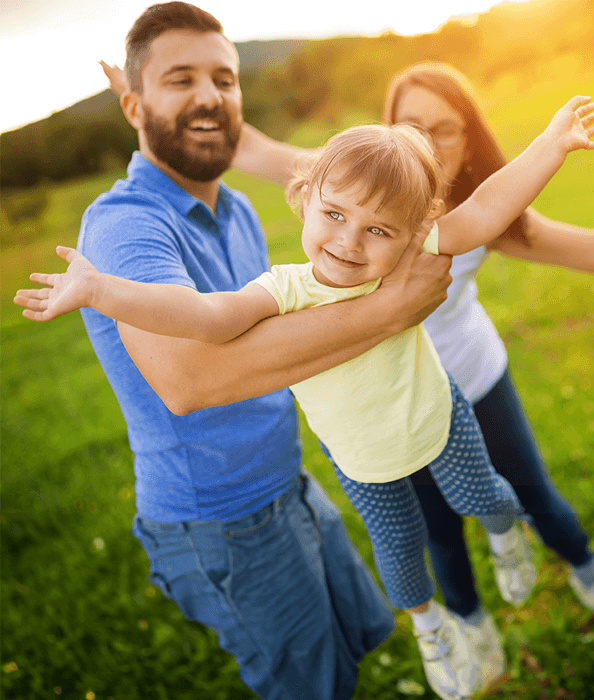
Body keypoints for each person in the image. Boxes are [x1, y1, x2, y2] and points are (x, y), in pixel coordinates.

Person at [16, 98, 594, 699]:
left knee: (483, 495)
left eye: (378, 228)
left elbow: (486, 209)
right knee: (399, 549)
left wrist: (552, 143)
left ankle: (506, 534)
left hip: (439, 417)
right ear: (304, 198)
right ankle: (431, 628)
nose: (350, 241)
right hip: (362, 461)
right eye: (335, 214)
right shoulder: (284, 289)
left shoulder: (411, 255)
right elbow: (207, 315)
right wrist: (101, 289)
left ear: (413, 231)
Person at [14, 5, 463, 700]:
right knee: (311, 686)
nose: (209, 96)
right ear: (133, 103)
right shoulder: (125, 224)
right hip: (220, 518)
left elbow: (275, 325)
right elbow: (190, 380)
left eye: (225, 78)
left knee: (352, 647)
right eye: (181, 79)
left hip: (286, 481)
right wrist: (387, 310)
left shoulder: (239, 209)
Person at [382, 61, 594, 638]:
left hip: (477, 379)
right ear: (387, 131)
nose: (428, 144)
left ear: (467, 136)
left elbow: (590, 249)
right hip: (403, 404)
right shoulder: (362, 205)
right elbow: (262, 152)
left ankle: (584, 565)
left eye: (445, 128)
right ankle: (471, 626)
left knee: (535, 494)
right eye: (411, 126)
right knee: (439, 529)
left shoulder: (484, 212)